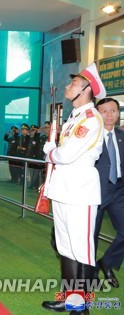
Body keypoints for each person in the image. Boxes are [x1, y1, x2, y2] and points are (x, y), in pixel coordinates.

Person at [41, 63, 105, 313]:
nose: (68, 87)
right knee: (65, 247)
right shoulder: (74, 117)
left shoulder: (90, 119)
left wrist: (50, 151)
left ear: (86, 89)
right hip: (64, 189)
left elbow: (65, 155)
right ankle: (70, 299)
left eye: (73, 84)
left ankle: (82, 306)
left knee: (82, 250)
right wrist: (55, 152)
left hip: (80, 192)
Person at [94, 97, 124, 289]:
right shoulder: (90, 137)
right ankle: (89, 274)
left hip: (118, 190)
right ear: (97, 114)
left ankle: (107, 262)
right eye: (104, 111)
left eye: (113, 110)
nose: (109, 115)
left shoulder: (121, 136)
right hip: (94, 191)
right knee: (91, 236)